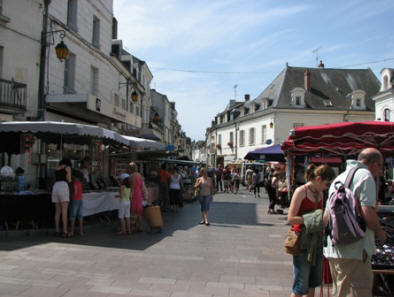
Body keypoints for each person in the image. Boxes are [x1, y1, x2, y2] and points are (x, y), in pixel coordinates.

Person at [323, 148, 387, 297]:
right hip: (356, 248)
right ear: (375, 164)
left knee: (340, 291)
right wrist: (380, 232)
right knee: (360, 290)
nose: (380, 172)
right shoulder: (366, 177)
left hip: (335, 247)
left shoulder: (339, 178)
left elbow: (326, 216)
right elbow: (368, 212)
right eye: (381, 167)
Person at [288, 164, 335, 297]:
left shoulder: (320, 193)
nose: (327, 188)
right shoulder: (301, 191)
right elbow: (291, 218)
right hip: (302, 240)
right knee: (300, 284)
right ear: (318, 179)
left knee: (313, 282)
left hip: (317, 241)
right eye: (327, 184)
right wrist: (313, 218)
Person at [51, 158, 72, 238]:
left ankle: (56, 230)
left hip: (55, 186)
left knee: (57, 211)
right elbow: (69, 179)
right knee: (64, 211)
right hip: (63, 186)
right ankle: (65, 231)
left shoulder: (56, 168)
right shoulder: (67, 167)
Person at [129, 162, 145, 232]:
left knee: (133, 211)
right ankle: (140, 226)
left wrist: (130, 196)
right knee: (139, 211)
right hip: (139, 193)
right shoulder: (139, 175)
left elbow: (132, 187)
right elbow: (141, 186)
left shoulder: (132, 176)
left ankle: (133, 226)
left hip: (135, 193)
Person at [69, 169, 84, 237]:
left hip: (75, 200)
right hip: (80, 200)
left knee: (73, 216)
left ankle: (72, 232)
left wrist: (71, 197)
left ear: (75, 177)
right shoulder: (80, 183)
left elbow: (75, 192)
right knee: (80, 216)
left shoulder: (75, 183)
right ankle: (81, 231)